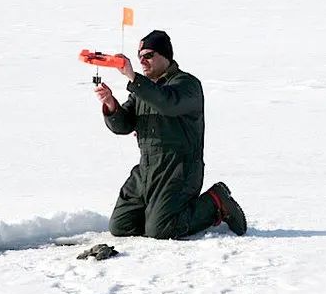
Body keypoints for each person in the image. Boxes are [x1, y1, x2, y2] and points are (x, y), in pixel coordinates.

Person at [93, 30, 247, 239]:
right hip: (147, 168)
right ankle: (158, 215)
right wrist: (110, 103)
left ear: (165, 56)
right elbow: (123, 125)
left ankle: (215, 202)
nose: (142, 61)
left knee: (162, 230)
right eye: (140, 57)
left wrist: (132, 77)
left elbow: (168, 103)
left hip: (179, 169)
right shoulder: (144, 89)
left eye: (148, 56)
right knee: (121, 226)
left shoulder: (187, 84)